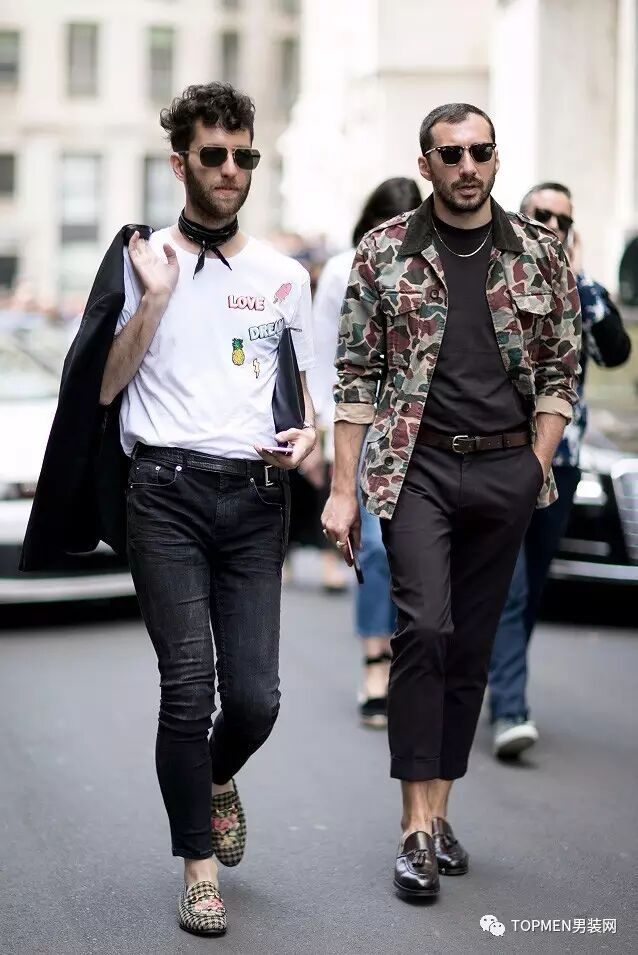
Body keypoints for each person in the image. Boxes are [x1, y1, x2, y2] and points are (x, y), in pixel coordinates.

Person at [25, 82, 316, 936]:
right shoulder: (139, 257)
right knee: (187, 690)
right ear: (179, 162)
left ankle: (215, 777)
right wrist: (153, 296)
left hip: (255, 499)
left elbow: (296, 394)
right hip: (165, 494)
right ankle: (198, 867)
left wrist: (304, 438)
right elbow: (101, 389)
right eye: (213, 154)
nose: (230, 170)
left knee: (255, 700)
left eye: (243, 155)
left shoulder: (283, 276)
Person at [322, 102, 581, 899]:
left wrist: (534, 464)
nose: (467, 166)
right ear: (426, 163)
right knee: (425, 630)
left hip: (507, 470)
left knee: (469, 646)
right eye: (451, 154)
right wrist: (342, 490)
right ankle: (413, 828)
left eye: (480, 152)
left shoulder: (539, 252)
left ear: (496, 159)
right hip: (418, 468)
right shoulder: (384, 251)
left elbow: (560, 370)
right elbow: (356, 376)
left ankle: (440, 812)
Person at [489, 182, 632, 759]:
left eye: (561, 220)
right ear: (519, 218)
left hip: (562, 462)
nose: (551, 225)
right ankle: (509, 708)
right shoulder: (494, 276)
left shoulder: (580, 287)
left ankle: (496, 681)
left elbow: (615, 351)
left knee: (531, 586)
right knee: (509, 585)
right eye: (540, 215)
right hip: (499, 456)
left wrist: (580, 281)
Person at [309, 177, 422, 727]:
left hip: (427, 432)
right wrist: (329, 445)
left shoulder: (436, 266)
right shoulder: (342, 270)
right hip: (366, 430)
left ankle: (413, 659)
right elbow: (322, 357)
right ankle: (377, 662)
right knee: (375, 549)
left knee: (420, 554)